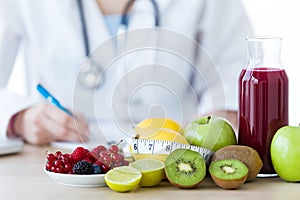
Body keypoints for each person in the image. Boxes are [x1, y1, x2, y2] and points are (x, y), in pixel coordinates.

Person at [0, 0, 253, 145]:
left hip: (172, 168)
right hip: (60, 167)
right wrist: (19, 118)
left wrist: (217, 121)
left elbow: (235, 77)